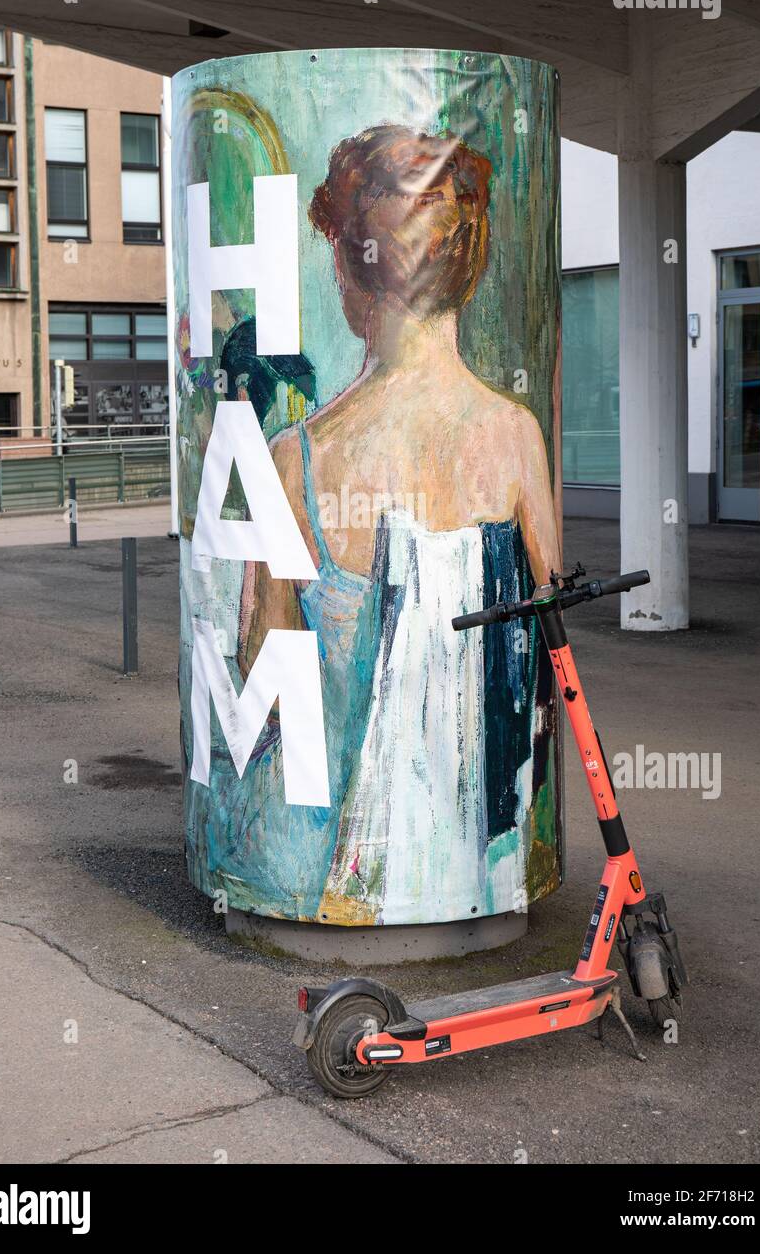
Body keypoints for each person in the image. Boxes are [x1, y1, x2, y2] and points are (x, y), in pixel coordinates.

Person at [239, 124, 561, 925]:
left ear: (353, 273)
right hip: (494, 855)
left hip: (327, 875)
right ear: (464, 268)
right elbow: (553, 647)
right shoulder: (516, 438)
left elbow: (265, 680)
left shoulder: (298, 461)